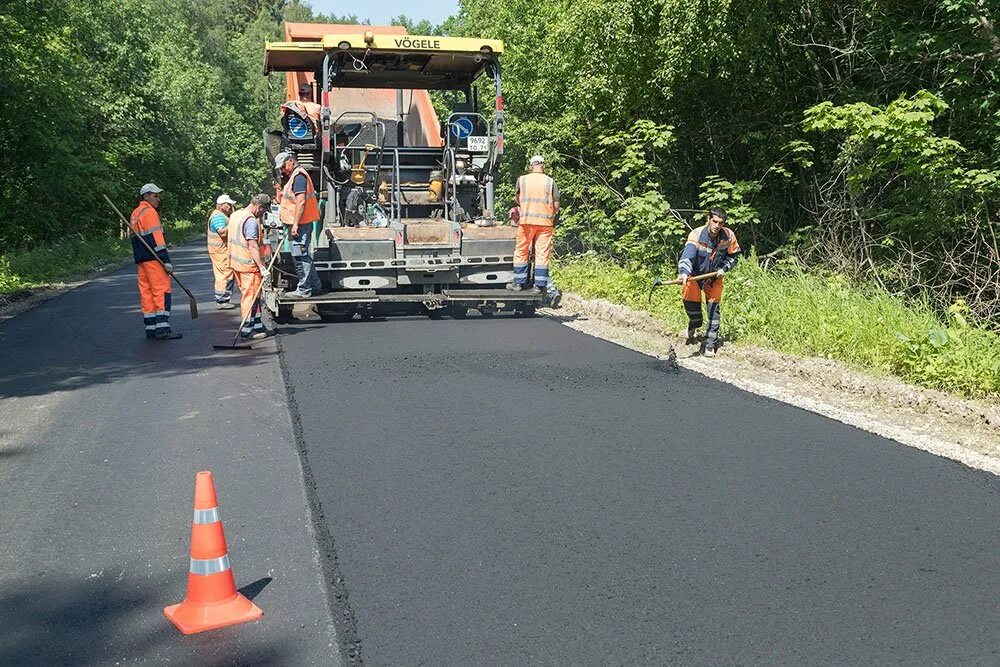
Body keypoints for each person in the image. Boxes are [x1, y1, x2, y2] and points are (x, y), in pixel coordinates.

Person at [677, 208, 741, 357]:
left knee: (713, 307)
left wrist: (723, 269)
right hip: (695, 275)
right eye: (714, 221)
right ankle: (694, 324)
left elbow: (734, 256)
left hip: (714, 277)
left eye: (720, 223)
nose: (717, 226)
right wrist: (684, 272)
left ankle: (710, 344)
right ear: (708, 219)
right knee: (690, 300)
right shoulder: (697, 234)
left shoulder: (729, 236)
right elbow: (688, 254)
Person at [506, 155, 562, 307]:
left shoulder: (522, 180)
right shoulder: (550, 182)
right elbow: (556, 205)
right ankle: (539, 287)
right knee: (542, 254)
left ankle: (518, 283)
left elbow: (518, 199)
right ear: (543, 165)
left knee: (522, 250)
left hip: (526, 222)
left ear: (531, 166)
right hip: (545, 223)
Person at [129, 183, 181, 340]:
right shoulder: (150, 213)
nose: (158, 199)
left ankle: (151, 328)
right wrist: (166, 260)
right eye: (155, 196)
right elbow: (157, 240)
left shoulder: (135, 213)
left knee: (147, 293)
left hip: (141, 260)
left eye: (158, 196)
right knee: (162, 291)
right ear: (146, 196)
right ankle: (163, 328)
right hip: (154, 259)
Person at [274, 152, 323, 298]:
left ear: (291, 161)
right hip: (297, 223)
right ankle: (314, 285)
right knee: (302, 255)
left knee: (300, 256)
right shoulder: (294, 177)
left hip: (300, 224)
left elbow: (301, 202)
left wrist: (295, 225)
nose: (283, 170)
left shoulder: (299, 177)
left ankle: (304, 289)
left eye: (283, 167)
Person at [228, 194, 273, 340]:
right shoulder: (251, 221)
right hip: (249, 266)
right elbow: (252, 245)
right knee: (251, 298)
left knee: (253, 296)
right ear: (259, 207)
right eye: (264, 211)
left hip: (236, 264)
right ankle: (247, 330)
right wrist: (262, 267)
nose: (263, 214)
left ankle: (257, 324)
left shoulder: (236, 215)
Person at [207, 194, 237, 309]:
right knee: (224, 275)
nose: (231, 207)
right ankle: (222, 300)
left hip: (220, 250)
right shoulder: (218, 217)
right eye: (228, 204)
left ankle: (223, 298)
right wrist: (233, 222)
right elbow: (223, 232)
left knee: (225, 274)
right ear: (221, 206)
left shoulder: (220, 215)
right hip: (220, 251)